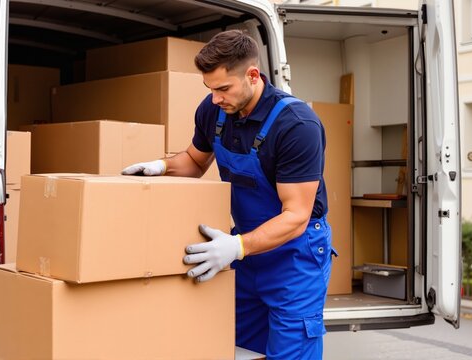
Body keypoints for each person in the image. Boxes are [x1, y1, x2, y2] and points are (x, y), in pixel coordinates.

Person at [122, 30, 334, 359]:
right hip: (244, 251)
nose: (216, 98)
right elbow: (194, 160)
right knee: (241, 348)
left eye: (223, 89)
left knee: (291, 349)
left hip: (295, 254)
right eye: (210, 89)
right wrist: (160, 167)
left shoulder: (296, 126)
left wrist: (235, 247)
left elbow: (296, 217)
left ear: (252, 75)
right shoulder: (214, 110)